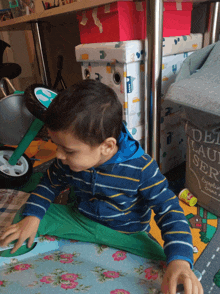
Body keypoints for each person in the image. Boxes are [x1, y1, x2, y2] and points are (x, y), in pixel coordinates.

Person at [0, 80, 203, 294]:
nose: (58, 156)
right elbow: (49, 184)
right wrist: (33, 217)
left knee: (172, 269)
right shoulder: (67, 159)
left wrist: (179, 261)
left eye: (68, 151)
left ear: (107, 146)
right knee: (26, 216)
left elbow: (170, 211)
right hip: (80, 220)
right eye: (56, 146)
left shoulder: (142, 169)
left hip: (126, 234)